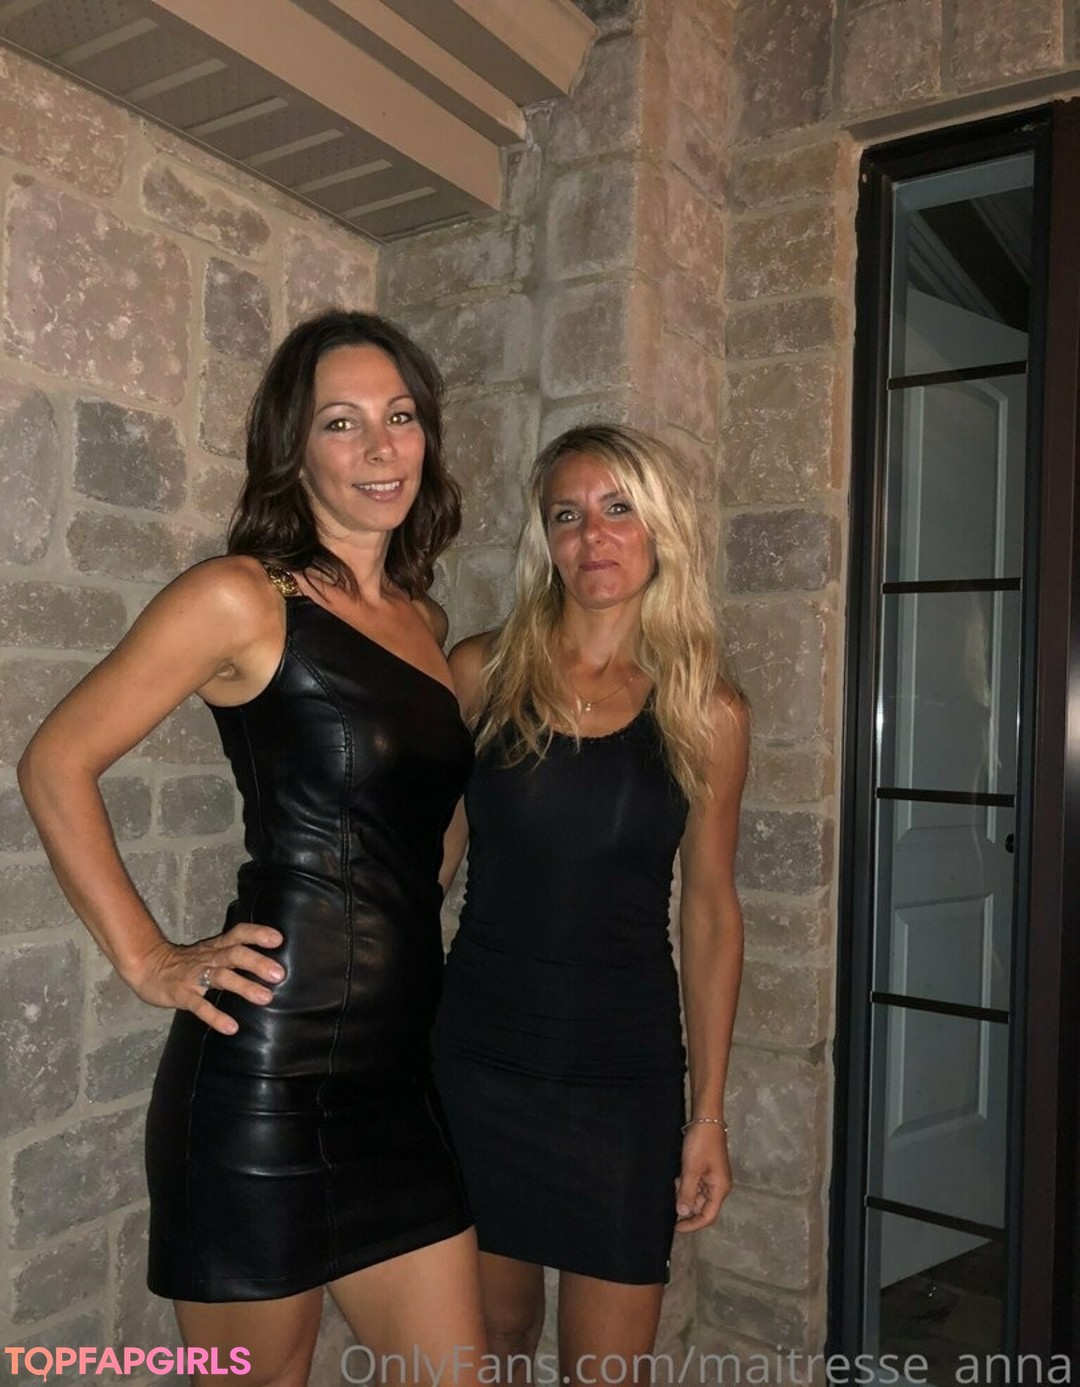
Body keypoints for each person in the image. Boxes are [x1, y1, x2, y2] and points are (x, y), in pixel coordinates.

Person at [18, 310, 487, 1387]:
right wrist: (150, 958)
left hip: (397, 1082)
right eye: (341, 422)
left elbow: (421, 839)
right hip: (265, 1077)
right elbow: (55, 762)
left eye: (401, 417)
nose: (381, 447)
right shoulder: (241, 595)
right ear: (294, 449)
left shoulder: (423, 622)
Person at [432, 423, 748, 1386]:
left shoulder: (706, 710)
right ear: (545, 538)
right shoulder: (482, 675)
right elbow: (425, 871)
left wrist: (707, 1115)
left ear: (659, 530)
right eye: (566, 515)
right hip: (478, 1061)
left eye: (618, 509)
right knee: (494, 1345)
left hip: (622, 1078)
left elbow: (710, 914)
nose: (593, 535)